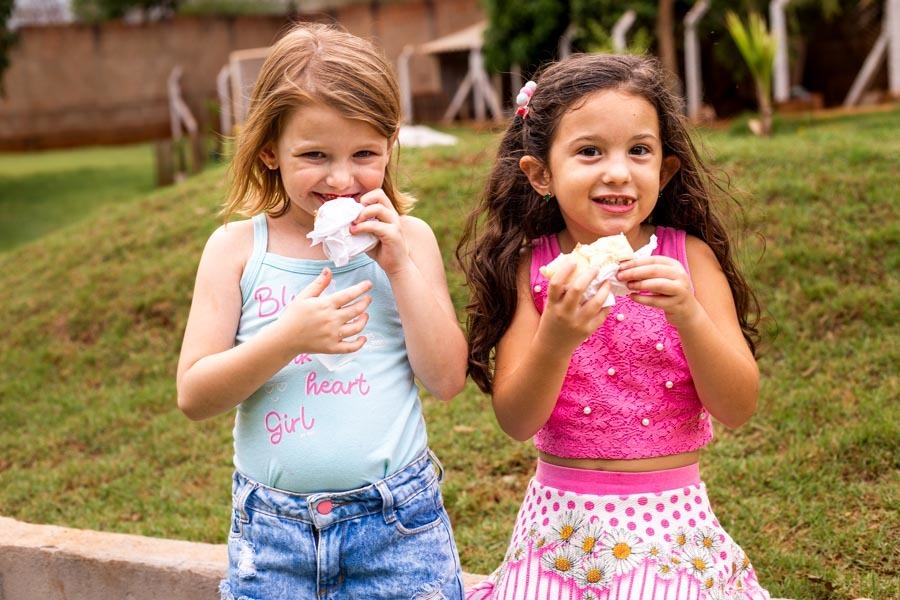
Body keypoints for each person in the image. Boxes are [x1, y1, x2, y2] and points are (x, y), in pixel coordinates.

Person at [457, 53, 769, 599]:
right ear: (541, 175)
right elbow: (515, 418)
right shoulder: (534, 270)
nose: (618, 171)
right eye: (589, 151)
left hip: (672, 523)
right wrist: (555, 339)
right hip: (563, 525)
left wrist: (689, 315)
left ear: (664, 171)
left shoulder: (689, 261)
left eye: (639, 151)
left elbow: (738, 406)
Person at [176, 22, 468, 599]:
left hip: (396, 529)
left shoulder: (410, 239)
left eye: (364, 154)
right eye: (314, 155)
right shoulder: (236, 250)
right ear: (269, 151)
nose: (341, 179)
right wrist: (286, 338)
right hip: (272, 534)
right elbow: (194, 394)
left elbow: (446, 379)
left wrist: (400, 267)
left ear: (390, 146)